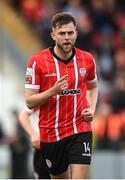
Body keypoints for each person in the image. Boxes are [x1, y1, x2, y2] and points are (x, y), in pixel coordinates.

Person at [25, 12, 98, 179]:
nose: (67, 37)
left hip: (80, 128)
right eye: (62, 33)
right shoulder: (37, 61)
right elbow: (29, 101)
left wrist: (91, 108)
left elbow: (93, 87)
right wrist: (53, 91)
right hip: (51, 134)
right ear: (53, 35)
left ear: (76, 34)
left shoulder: (87, 59)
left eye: (70, 33)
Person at [19, 106, 51, 179]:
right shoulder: (44, 96)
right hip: (43, 146)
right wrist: (33, 134)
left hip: (67, 144)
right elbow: (23, 115)